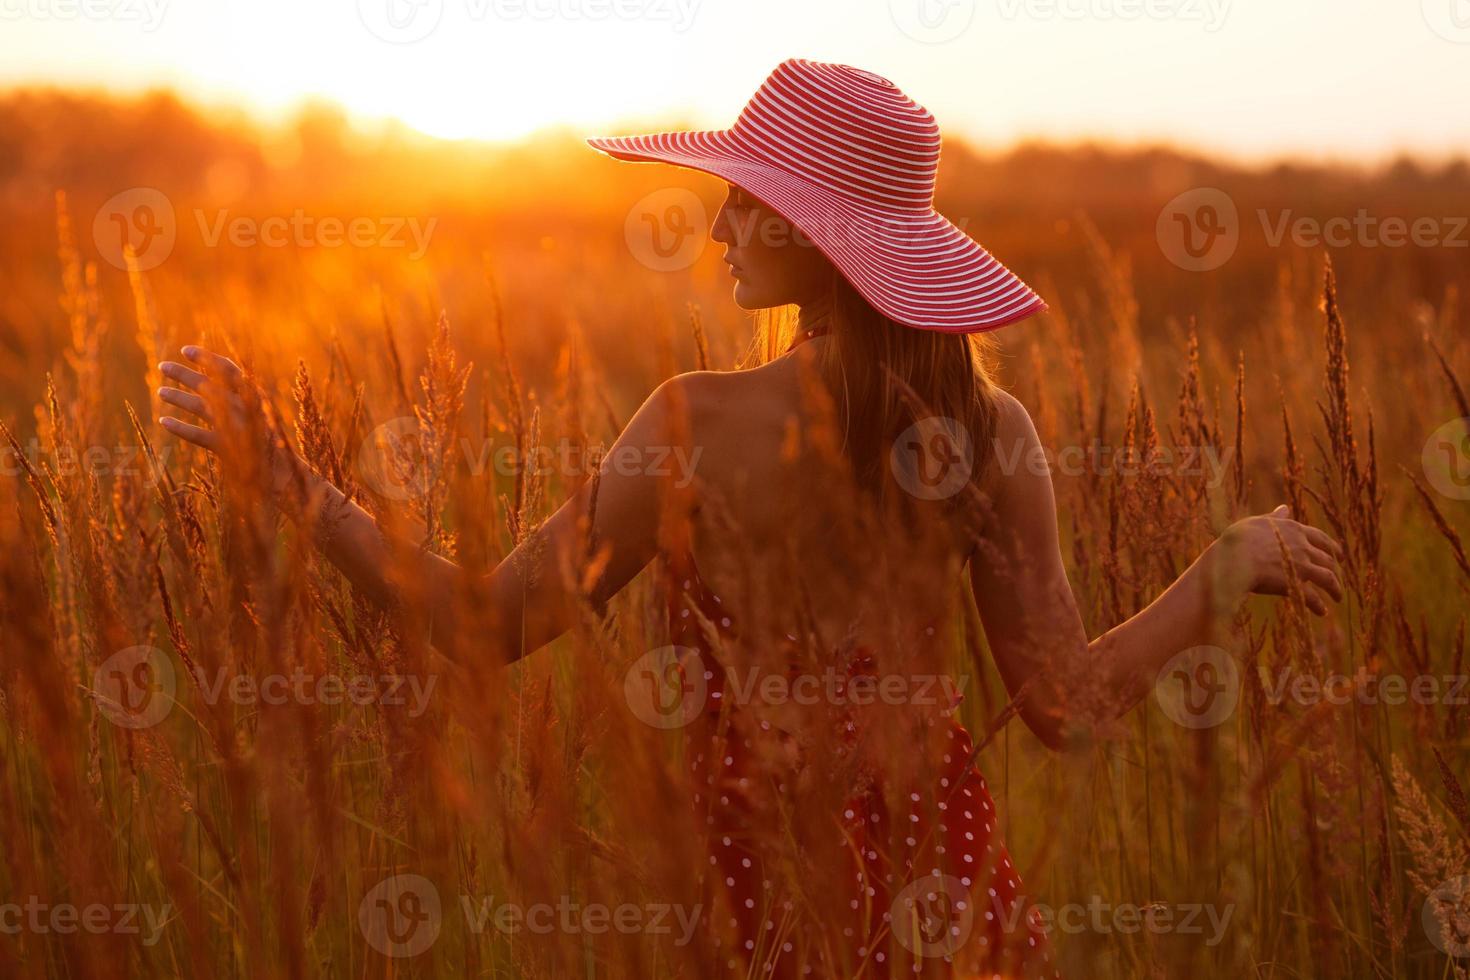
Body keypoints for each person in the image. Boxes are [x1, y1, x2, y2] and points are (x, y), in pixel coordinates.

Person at [157, 58, 1343, 979]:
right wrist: (1223, 568)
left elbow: (484, 621)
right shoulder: (997, 434)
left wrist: (295, 483)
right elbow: (1069, 710)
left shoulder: (695, 426)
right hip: (950, 892)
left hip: (752, 884)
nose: (720, 229)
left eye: (745, 202)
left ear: (816, 237)